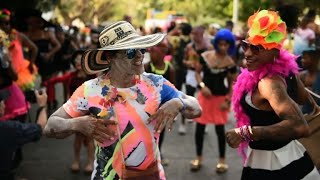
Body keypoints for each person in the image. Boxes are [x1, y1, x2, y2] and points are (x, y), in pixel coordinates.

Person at [44, 21, 202, 180]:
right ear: (110, 56)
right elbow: (51, 125)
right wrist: (76, 124)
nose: (140, 55)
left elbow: (196, 109)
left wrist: (178, 102)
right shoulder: (90, 90)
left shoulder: (155, 84)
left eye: (141, 49)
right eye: (131, 51)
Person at [226, 9, 320, 179]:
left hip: (275, 165)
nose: (247, 53)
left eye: (257, 48)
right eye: (246, 45)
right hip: (290, 156)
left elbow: (300, 126)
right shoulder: (287, 71)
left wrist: (246, 133)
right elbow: (303, 99)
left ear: (275, 51)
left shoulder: (268, 83)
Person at [190, 28, 237, 173]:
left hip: (220, 99)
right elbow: (197, 74)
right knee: (200, 129)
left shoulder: (230, 63)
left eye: (226, 44)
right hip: (205, 97)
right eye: (221, 44)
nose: (223, 47)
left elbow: (232, 85)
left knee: (220, 131)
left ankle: (222, 161)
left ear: (230, 45)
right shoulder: (205, 56)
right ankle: (198, 158)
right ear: (216, 43)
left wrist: (228, 100)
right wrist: (202, 86)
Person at [44, 50, 96, 173]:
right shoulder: (71, 76)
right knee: (77, 137)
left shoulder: (94, 77)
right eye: (76, 59)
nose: (78, 62)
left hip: (91, 111)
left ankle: (90, 162)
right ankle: (76, 161)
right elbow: (59, 82)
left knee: (89, 138)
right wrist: (46, 83)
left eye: (81, 59)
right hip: (76, 112)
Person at [0, 87, 48, 180]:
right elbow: (40, 127)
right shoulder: (9, 128)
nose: (4, 105)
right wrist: (42, 106)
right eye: (2, 102)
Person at [144, 39, 175, 166]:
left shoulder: (170, 68)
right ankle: (146, 155)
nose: (151, 55)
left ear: (163, 53)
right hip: (147, 106)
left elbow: (173, 89)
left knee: (159, 132)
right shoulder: (146, 67)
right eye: (150, 52)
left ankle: (158, 153)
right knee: (146, 131)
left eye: (154, 52)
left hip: (163, 107)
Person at [0, 9, 38, 91]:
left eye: (6, 23)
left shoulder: (18, 36)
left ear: (11, 24)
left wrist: (31, 64)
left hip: (20, 73)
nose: (3, 26)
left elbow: (34, 48)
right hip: (5, 77)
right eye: (0, 23)